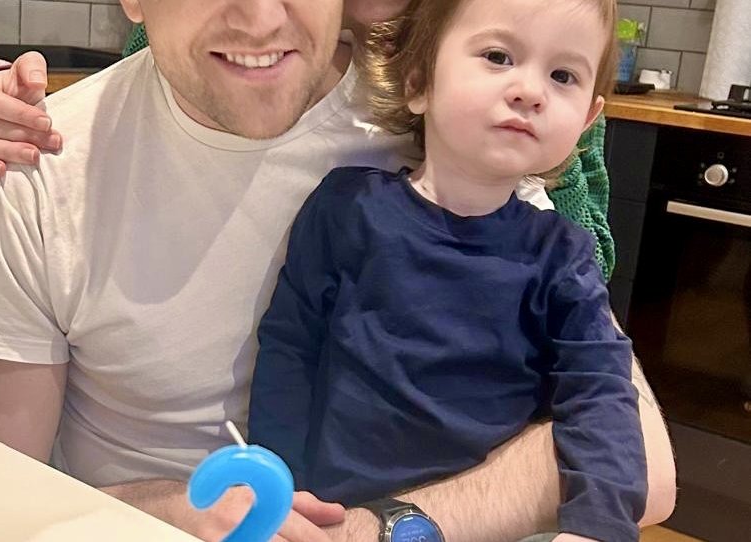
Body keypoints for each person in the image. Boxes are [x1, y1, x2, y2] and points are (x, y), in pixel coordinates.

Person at [0, 1, 675, 541]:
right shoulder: (39, 159)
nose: (259, 18)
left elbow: (643, 465)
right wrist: (163, 507)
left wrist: (387, 529)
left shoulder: (449, 125)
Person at [248, 0, 644, 540]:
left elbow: (601, 393)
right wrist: (281, 488)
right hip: (331, 519)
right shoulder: (347, 209)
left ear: (586, 121)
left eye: (562, 75)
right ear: (418, 81)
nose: (531, 90)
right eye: (499, 56)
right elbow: (290, 351)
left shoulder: (563, 258)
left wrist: (599, 525)